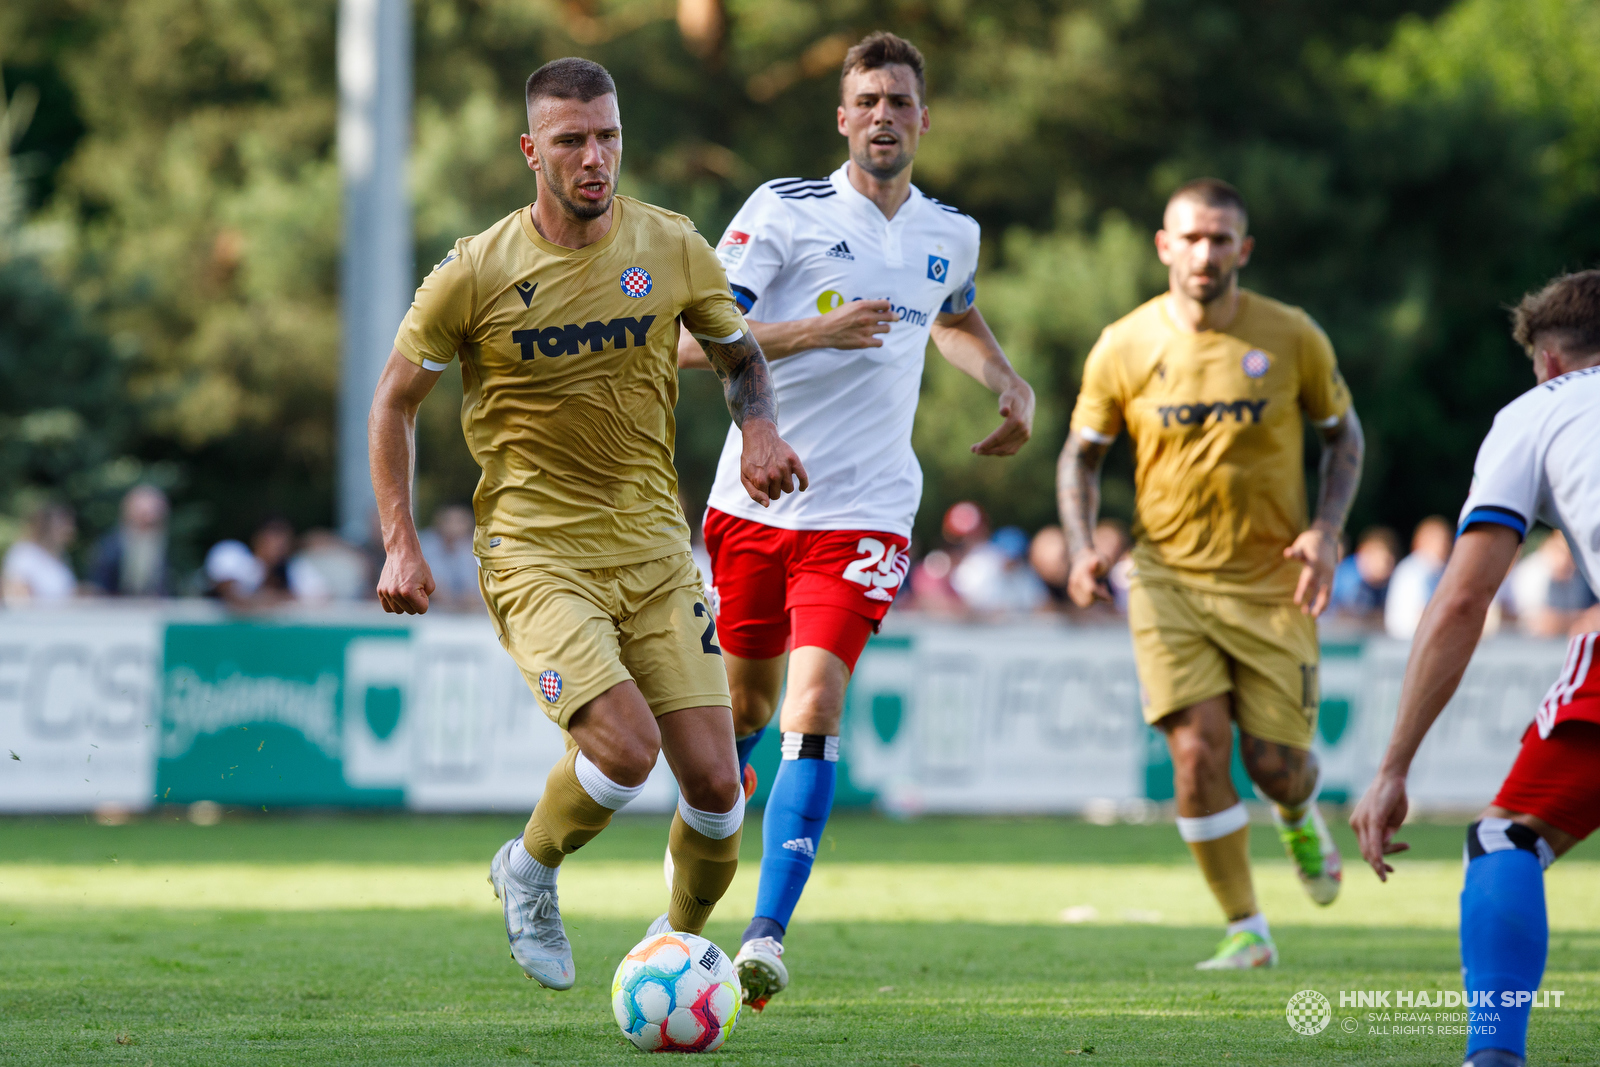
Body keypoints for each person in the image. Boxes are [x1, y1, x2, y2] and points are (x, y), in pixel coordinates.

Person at [367, 58, 805, 994]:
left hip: (651, 546)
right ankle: (529, 867)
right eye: (571, 140)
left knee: (720, 788)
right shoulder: (476, 272)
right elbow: (394, 402)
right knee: (622, 745)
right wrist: (400, 537)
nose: (594, 156)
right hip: (535, 550)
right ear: (533, 151)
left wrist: (760, 426)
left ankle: (673, 950)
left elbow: (737, 356)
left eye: (607, 135)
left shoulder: (673, 244)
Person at [676, 31, 1035, 1008]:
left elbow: (950, 313)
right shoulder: (781, 213)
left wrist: (1006, 381)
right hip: (753, 503)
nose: (883, 116)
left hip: (869, 512)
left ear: (924, 120)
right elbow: (683, 341)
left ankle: (765, 933)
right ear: (841, 118)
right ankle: (681, 919)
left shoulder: (947, 232)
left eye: (899, 102)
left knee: (813, 705)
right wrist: (813, 331)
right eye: (866, 101)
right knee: (743, 716)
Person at [1057, 178, 1364, 969]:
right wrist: (1083, 542)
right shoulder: (1123, 344)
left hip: (1274, 583)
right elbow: (1081, 457)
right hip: (1166, 581)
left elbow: (1344, 437)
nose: (1205, 252)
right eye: (1190, 237)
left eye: (1220, 238)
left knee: (1276, 764)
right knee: (1194, 752)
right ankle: (1246, 927)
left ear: (1243, 250)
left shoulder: (1292, 336)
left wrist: (1327, 531)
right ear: (1164, 245)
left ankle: (1297, 808)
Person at [1351, 270, 1600, 1067]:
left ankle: (1493, 1057)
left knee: (1505, 838)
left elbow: (1462, 599)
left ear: (1552, 362)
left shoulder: (1540, 411)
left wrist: (1393, 765)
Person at [204, 517, 327, 608]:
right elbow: (231, 596)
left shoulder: (294, 569)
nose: (279, 547)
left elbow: (322, 599)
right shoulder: (233, 555)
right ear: (257, 539)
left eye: (284, 541)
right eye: (273, 539)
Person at [1509, 529, 1597, 637]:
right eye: (1562, 551)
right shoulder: (1533, 573)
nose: (1566, 559)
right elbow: (1541, 624)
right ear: (1549, 546)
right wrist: (1582, 618)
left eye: (1572, 553)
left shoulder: (1578, 574)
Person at [88, 485, 172, 597]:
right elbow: (98, 586)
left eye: (154, 515)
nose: (149, 520)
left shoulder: (163, 546)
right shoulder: (109, 547)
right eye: (144, 514)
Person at [1383, 516, 1452, 639]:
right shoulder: (1414, 570)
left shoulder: (1437, 569)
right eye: (1441, 541)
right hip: (1406, 642)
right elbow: (1421, 615)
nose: (1446, 546)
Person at [2, 502, 78, 604]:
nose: (69, 529)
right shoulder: (24, 553)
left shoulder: (62, 556)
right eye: (62, 524)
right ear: (46, 526)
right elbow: (16, 595)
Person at [418, 504, 481, 611]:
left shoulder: (471, 547)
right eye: (450, 521)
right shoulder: (424, 544)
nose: (454, 526)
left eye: (460, 522)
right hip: (431, 612)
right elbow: (431, 587)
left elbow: (473, 588)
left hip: (464, 613)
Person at [1329, 526, 1398, 623]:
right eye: (1382, 560)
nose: (1386, 567)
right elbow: (1344, 615)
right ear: (1363, 553)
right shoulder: (1348, 579)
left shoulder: (1382, 583)